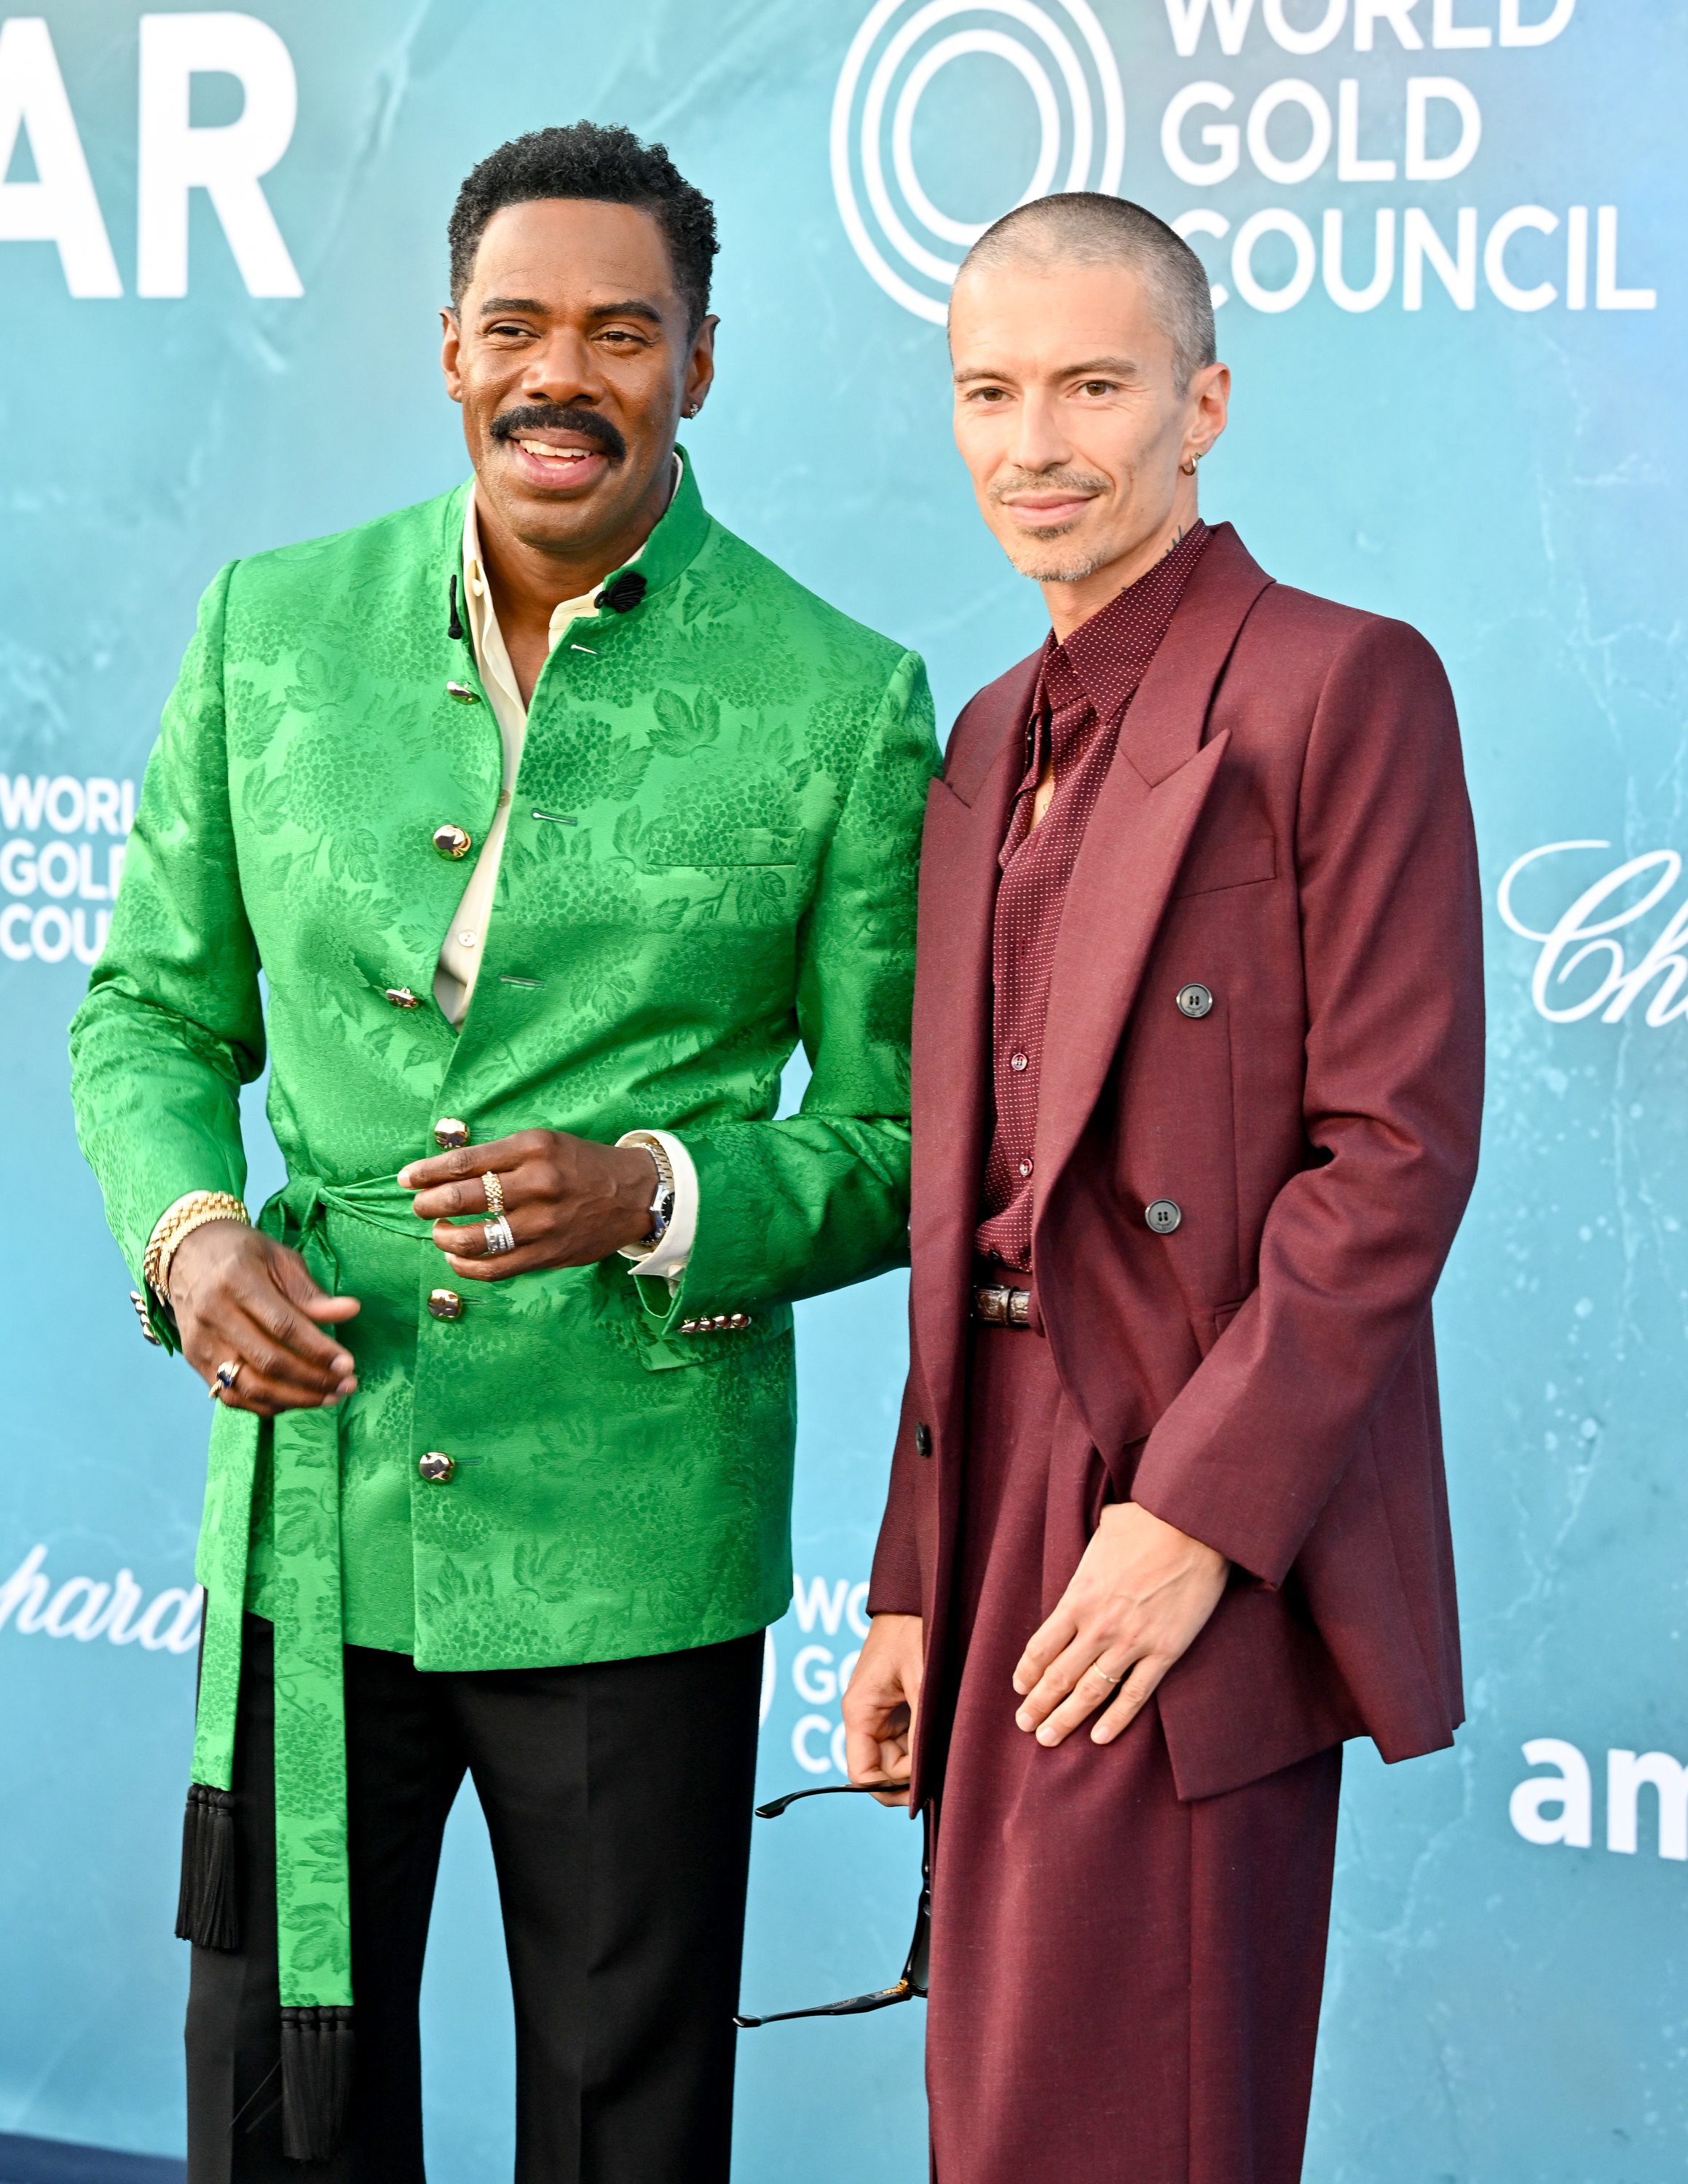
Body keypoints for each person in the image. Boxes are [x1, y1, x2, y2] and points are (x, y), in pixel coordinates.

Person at [70, 122, 937, 2183]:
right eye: (519, 327)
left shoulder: (843, 700)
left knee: (625, 2122)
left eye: (622, 333)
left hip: (633, 1528)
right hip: (319, 1499)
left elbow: (908, 1140)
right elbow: (147, 1019)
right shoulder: (266, 630)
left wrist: (661, 1192)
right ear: (447, 350)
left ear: (700, 364)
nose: (567, 374)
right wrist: (193, 1239)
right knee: (281, 2106)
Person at [841, 194, 1483, 2184]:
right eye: (990, 391)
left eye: (1093, 386)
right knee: (999, 2107)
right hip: (1002, 1487)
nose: (1034, 443)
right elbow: (971, 1212)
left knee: (1139, 2115)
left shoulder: (1338, 687)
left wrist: (1192, 1524)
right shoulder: (979, 741)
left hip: (1199, 1492)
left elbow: (1393, 1157)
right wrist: (909, 1580)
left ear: (1203, 403)